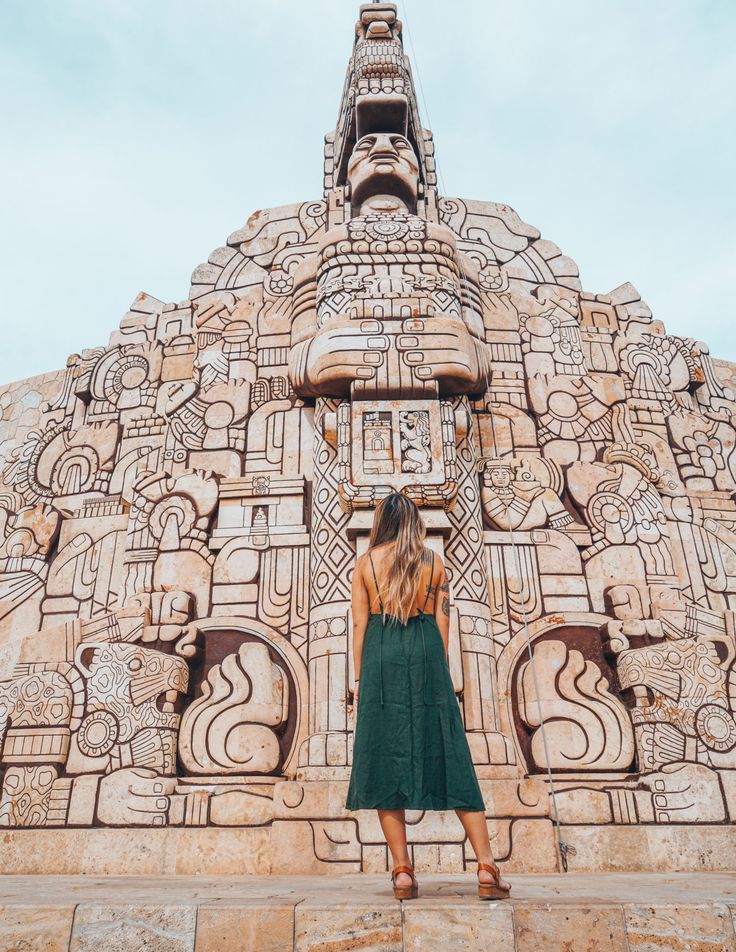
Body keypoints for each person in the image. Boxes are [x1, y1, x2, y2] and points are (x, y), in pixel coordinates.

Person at [345, 491, 511, 901]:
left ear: (381, 522)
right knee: (450, 753)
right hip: (426, 653)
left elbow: (360, 628)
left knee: (384, 760)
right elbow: (443, 623)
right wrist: (439, 673)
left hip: (381, 657)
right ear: (415, 523)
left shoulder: (364, 564)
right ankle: (487, 868)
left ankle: (402, 872)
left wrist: (360, 681)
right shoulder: (435, 563)